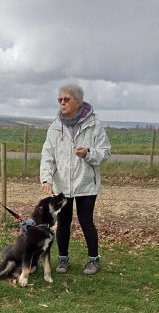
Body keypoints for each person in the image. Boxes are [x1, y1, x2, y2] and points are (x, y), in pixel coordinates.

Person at [40, 84, 111, 275]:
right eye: (59, 100)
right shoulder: (55, 126)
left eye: (66, 99)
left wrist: (88, 153)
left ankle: (93, 260)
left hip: (86, 183)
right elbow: (48, 155)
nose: (62, 103)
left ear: (77, 102)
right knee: (63, 222)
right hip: (62, 184)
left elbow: (105, 153)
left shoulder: (94, 124)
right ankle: (62, 260)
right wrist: (46, 179)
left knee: (86, 221)